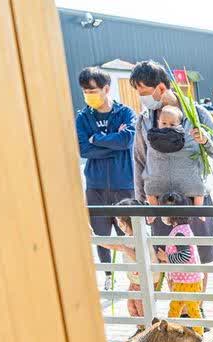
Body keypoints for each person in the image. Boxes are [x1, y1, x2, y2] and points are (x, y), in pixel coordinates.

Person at [130, 60, 213, 297]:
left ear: (161, 89)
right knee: (168, 256)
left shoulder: (197, 114)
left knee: (198, 258)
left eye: (143, 92)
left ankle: (195, 312)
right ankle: (179, 313)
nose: (141, 97)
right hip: (162, 204)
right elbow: (140, 160)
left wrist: (206, 139)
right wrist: (141, 201)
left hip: (192, 200)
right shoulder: (144, 120)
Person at [76, 66, 137, 285]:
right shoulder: (83, 117)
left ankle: (135, 276)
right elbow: (83, 149)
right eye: (85, 91)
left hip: (124, 184)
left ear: (106, 88)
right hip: (96, 186)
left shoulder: (126, 113)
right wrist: (112, 140)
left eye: (92, 90)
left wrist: (97, 139)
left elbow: (127, 141)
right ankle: (109, 276)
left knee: (128, 234)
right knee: (101, 235)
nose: (88, 95)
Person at [103, 198, 162, 325]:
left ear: (130, 220)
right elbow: (114, 246)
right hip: (135, 279)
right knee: (131, 306)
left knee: (143, 310)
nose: (118, 224)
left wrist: (125, 248)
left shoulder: (141, 236)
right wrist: (95, 238)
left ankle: (147, 331)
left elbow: (141, 258)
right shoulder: (128, 237)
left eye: (120, 221)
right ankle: (140, 329)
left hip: (147, 279)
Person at [155, 192, 204, 335]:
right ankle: (171, 335)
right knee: (176, 308)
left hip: (188, 281)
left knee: (192, 310)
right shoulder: (182, 229)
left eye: (162, 211)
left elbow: (185, 255)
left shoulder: (179, 233)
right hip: (184, 280)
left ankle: (198, 336)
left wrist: (166, 257)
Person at [144, 105, 206, 209]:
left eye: (172, 124)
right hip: (158, 179)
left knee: (198, 187)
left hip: (188, 180)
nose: (167, 127)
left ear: (179, 126)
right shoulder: (153, 132)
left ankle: (199, 211)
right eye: (164, 123)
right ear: (158, 121)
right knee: (149, 188)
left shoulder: (184, 134)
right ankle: (153, 213)